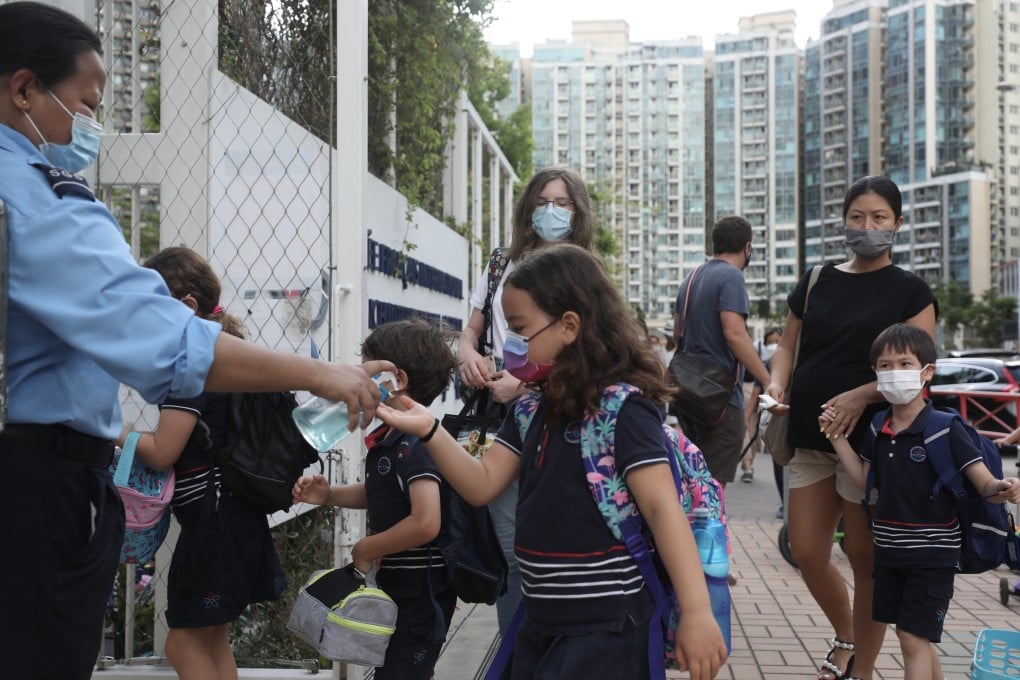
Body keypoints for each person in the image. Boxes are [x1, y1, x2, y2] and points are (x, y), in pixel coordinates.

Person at [0, 5, 391, 678]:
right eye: (85, 104)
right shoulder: (37, 201)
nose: (91, 125)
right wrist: (321, 374)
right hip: (43, 485)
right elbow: (168, 343)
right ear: (25, 89)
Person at [379, 244, 728, 680]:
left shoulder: (623, 411)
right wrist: (430, 429)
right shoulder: (529, 411)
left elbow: (662, 509)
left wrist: (697, 611)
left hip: (608, 631)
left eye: (520, 328)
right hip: (541, 621)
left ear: (568, 326)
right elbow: (482, 484)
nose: (510, 343)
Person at [765, 176, 937, 680]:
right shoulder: (816, 279)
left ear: (897, 224)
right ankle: (848, 637)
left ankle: (861, 669)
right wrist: (776, 384)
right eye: (857, 217)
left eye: (878, 218)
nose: (867, 226)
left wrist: (861, 396)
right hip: (810, 435)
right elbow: (788, 347)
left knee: (865, 559)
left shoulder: (911, 290)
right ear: (843, 222)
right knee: (806, 550)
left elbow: (918, 372)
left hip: (873, 446)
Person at [123, 247, 287, 680]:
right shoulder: (228, 357)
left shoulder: (192, 366)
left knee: (183, 644)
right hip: (236, 517)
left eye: (150, 310)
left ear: (187, 306)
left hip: (215, 527)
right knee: (212, 640)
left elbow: (163, 450)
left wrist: (115, 432)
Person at [822, 323, 1020, 680]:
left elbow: (983, 483)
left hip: (933, 556)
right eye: (885, 365)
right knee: (915, 636)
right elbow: (865, 482)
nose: (893, 372)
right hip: (890, 552)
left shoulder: (946, 427)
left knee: (911, 637)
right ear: (875, 373)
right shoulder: (878, 426)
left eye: (904, 364)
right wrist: (837, 439)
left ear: (927, 372)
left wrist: (1002, 488)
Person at [456, 166, 596, 633]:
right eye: (542, 202)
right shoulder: (502, 262)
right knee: (510, 543)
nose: (550, 211)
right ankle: (516, 649)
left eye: (561, 203)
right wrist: (466, 353)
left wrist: (526, 384)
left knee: (553, 538)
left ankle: (553, 642)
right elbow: (471, 329)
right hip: (498, 416)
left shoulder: (581, 268)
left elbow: (590, 349)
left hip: (558, 413)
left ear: (577, 211)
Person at [293, 317, 459, 680]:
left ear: (395, 380)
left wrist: (367, 547)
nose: (356, 382)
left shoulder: (418, 444)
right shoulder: (391, 439)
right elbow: (382, 494)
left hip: (420, 593)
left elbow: (426, 522)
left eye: (365, 373)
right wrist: (329, 494)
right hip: (399, 586)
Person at [672, 215, 771, 488]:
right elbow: (734, 333)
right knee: (712, 491)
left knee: (691, 483)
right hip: (720, 399)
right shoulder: (732, 276)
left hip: (687, 394)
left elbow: (677, 333)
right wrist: (767, 379)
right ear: (747, 248)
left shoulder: (690, 278)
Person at [740, 326, 783, 484]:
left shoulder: (792, 362)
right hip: (759, 405)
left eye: (777, 342)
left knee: (756, 438)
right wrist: (748, 414)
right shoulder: (765, 364)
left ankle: (748, 465)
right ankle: (747, 466)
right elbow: (755, 393)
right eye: (770, 343)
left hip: (782, 416)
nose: (773, 346)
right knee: (749, 434)